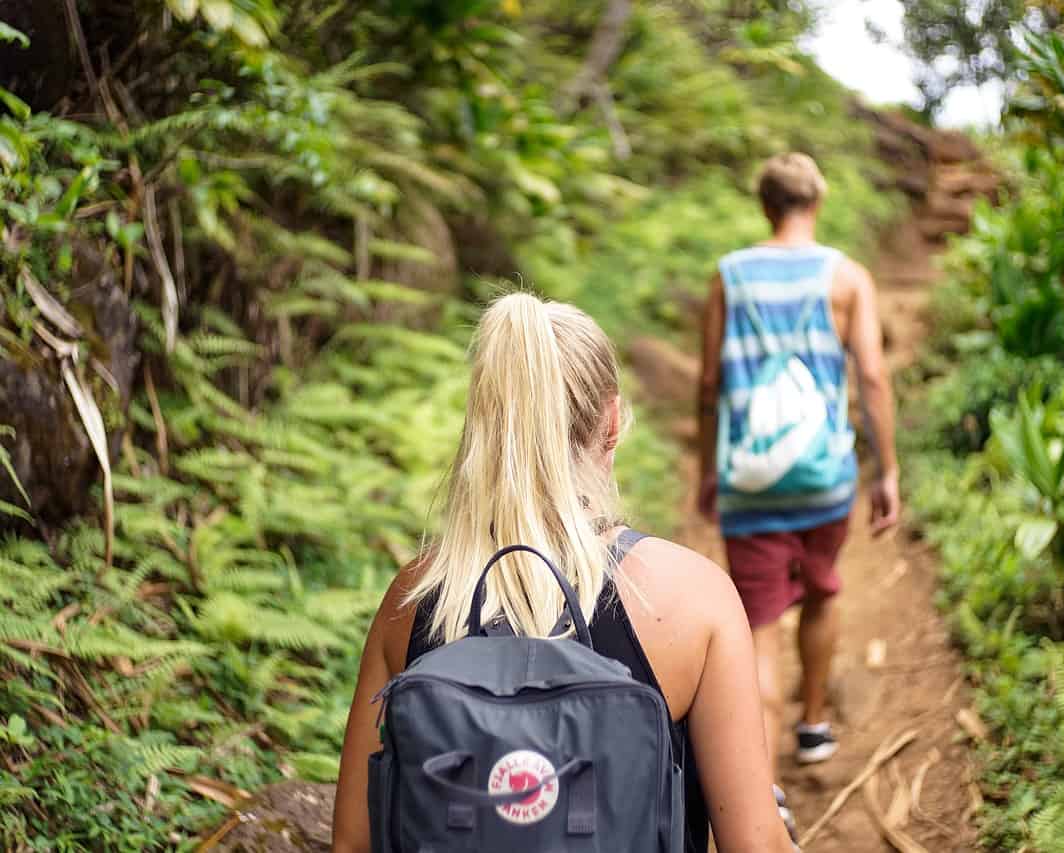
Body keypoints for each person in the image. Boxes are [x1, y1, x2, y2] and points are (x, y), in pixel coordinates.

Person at [332, 293, 794, 853]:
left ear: (483, 422)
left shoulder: (414, 600)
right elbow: (754, 845)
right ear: (613, 422)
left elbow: (355, 844)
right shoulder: (692, 598)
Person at [696, 153, 900, 782]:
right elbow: (871, 375)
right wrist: (885, 471)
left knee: (758, 625)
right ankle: (812, 727)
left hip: (749, 479)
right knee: (820, 592)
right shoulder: (847, 278)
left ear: (765, 205)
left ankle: (762, 784)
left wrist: (711, 468)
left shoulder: (729, 276)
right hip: (824, 478)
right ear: (818, 202)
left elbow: (709, 385)